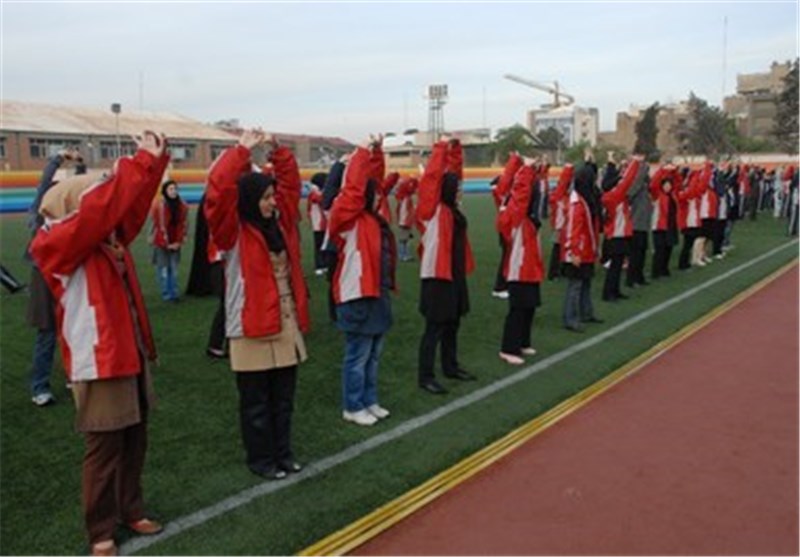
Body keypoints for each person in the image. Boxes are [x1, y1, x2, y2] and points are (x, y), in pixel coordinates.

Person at [29, 131, 170, 556]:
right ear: (72, 204)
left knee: (134, 439)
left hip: (129, 353)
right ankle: (100, 530)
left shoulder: (105, 239)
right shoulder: (56, 241)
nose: (103, 198)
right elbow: (99, 212)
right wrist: (136, 162)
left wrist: (155, 164)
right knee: (105, 446)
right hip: (99, 360)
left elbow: (130, 206)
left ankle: (130, 508)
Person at [205, 129, 309, 480]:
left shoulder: (278, 224)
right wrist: (240, 151)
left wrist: (278, 151)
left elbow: (291, 186)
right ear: (250, 199)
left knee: (283, 399)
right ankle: (260, 459)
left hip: (283, 322)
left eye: (271, 197)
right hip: (250, 325)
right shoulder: (231, 232)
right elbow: (217, 194)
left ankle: (284, 453)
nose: (271, 203)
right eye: (265, 198)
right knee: (256, 405)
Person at [328, 138, 396, 426]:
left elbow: (374, 184)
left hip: (376, 292)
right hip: (357, 293)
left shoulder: (372, 218)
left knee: (374, 355)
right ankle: (352, 405)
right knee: (357, 355)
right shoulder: (345, 217)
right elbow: (355, 190)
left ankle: (369, 400)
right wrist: (360, 155)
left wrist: (376, 154)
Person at [416, 137, 476, 394]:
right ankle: (426, 375)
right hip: (438, 277)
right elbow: (432, 180)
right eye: (457, 189)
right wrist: (440, 148)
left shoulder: (453, 208)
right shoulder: (433, 210)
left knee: (453, 323)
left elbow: (454, 176)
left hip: (455, 274)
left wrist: (456, 151)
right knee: (435, 328)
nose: (460, 191)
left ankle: (450, 366)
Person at [24, 148, 84, 406]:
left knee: (73, 329)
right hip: (45, 279)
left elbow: (82, 190)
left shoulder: (73, 217)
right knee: (48, 333)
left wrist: (81, 164)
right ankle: (40, 386)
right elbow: (43, 184)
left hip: (68, 277)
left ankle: (74, 375)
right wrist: (58, 159)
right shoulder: (40, 215)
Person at [497, 155, 544, 365]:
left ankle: (523, 342)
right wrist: (524, 169)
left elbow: (529, 193)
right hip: (518, 269)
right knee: (517, 309)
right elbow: (521, 196)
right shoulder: (511, 217)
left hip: (530, 267)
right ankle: (508, 348)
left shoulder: (525, 218)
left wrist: (529, 167)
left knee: (530, 306)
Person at [561, 159, 604, 333]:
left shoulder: (586, 200)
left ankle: (586, 312)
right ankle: (570, 318)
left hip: (587, 249)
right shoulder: (577, 203)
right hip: (578, 250)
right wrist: (573, 251)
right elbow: (573, 229)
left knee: (585, 283)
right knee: (575, 285)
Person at [600, 154, 642, 301]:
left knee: (618, 265)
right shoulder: (614, 196)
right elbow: (628, 180)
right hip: (616, 234)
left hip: (619, 233)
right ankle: (608, 292)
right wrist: (635, 162)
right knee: (615, 266)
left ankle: (615, 290)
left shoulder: (612, 195)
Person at [149, 180, 188, 302]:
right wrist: (165, 243)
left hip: (175, 241)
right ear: (165, 191)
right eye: (171, 189)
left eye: (175, 189)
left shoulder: (182, 206)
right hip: (162, 243)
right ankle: (166, 293)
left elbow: (184, 224)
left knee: (174, 269)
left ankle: (174, 293)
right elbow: (158, 225)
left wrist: (178, 241)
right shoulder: (159, 206)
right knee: (164, 269)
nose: (173, 191)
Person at [649, 163, 679, 279]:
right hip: (660, 226)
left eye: (669, 185)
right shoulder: (657, 195)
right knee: (659, 250)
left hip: (671, 225)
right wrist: (662, 170)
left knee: (668, 248)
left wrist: (674, 171)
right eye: (666, 185)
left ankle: (664, 269)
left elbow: (678, 182)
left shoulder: (673, 195)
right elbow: (653, 185)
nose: (668, 187)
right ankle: (656, 272)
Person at [547, 162, 575, 280]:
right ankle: (554, 272)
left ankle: (560, 271)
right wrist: (568, 169)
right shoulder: (559, 195)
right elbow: (564, 182)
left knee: (561, 248)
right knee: (558, 248)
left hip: (563, 224)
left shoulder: (563, 195)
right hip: (560, 225)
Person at [306, 172, 328, 275]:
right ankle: (319, 265)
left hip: (323, 224)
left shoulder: (316, 192)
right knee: (318, 245)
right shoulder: (314, 193)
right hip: (318, 224)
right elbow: (319, 199)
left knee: (324, 244)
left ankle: (324, 264)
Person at [394, 175, 418, 262]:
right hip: (405, 222)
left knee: (405, 238)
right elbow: (404, 212)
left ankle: (404, 254)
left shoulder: (404, 198)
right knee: (404, 239)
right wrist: (406, 222)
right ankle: (402, 255)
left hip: (405, 221)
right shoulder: (405, 199)